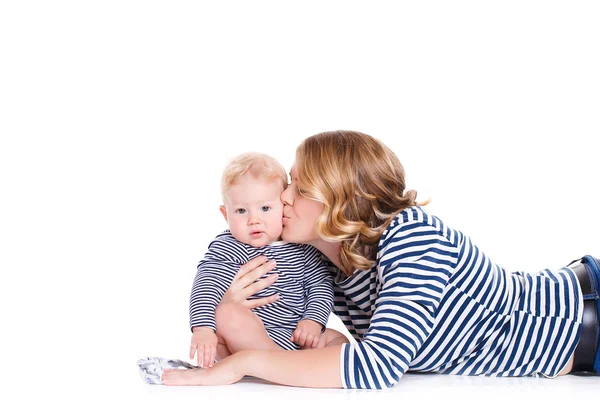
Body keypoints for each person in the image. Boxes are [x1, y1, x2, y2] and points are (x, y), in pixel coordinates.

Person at [160, 130, 599, 389]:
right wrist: (226, 317)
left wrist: (244, 364)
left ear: (340, 201)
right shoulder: (327, 257)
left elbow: (378, 366)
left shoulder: (412, 237)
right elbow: (299, 342)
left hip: (586, 317)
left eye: (300, 188)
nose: (284, 198)